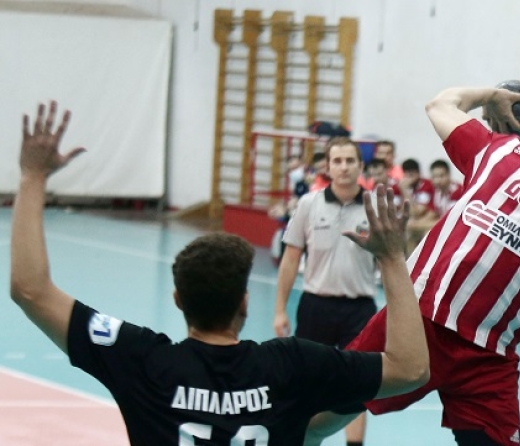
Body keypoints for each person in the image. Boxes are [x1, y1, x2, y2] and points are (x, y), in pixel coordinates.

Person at [9, 102, 429, 446]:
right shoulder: (292, 365)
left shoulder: (143, 360)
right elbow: (410, 370)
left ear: (178, 299)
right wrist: (392, 259)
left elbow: (30, 290)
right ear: (245, 301)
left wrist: (32, 177)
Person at [306, 75, 520, 446]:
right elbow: (439, 105)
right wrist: (491, 96)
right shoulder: (496, 149)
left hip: (489, 355)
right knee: (316, 418)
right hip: (416, 324)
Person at [273, 137, 379, 446]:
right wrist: (280, 309)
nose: (344, 167)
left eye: (350, 161)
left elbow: (390, 261)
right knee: (307, 381)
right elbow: (291, 258)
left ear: (361, 166)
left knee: (359, 386)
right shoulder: (309, 205)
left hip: (360, 309)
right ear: (327, 167)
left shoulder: (375, 206)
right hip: (315, 305)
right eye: (337, 161)